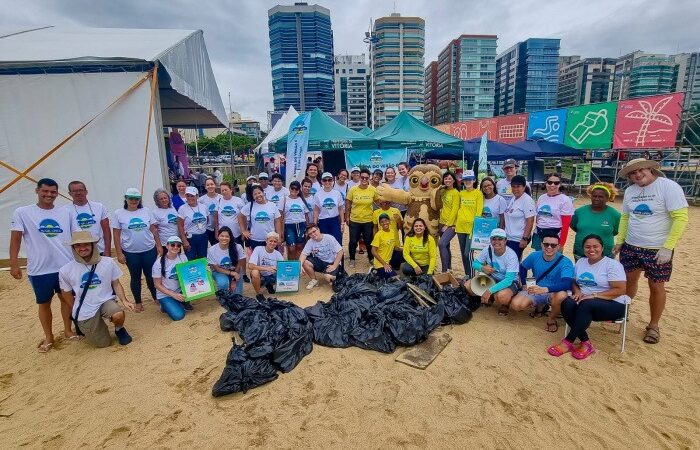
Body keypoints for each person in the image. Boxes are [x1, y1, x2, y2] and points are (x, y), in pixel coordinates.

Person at [613, 158, 689, 344]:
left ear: (650, 169)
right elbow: (625, 218)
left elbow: (681, 218)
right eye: (632, 173)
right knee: (629, 280)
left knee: (656, 286)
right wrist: (620, 241)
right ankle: (624, 311)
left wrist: (668, 247)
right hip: (631, 245)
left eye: (641, 170)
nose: (637, 175)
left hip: (657, 248)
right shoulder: (631, 191)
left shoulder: (668, 186)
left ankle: (653, 325)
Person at [9, 178, 76, 352]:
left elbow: (75, 238)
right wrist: (13, 264)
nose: (49, 195)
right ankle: (49, 336)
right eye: (45, 191)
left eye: (53, 192)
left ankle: (68, 330)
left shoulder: (65, 213)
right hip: (40, 269)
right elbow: (16, 238)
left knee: (66, 299)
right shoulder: (23, 212)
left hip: (65, 266)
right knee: (44, 304)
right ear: (37, 191)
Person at [548, 234, 630, 359]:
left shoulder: (612, 264)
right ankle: (586, 343)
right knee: (567, 303)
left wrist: (594, 295)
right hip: (584, 302)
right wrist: (577, 291)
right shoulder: (581, 262)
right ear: (583, 249)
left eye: (595, 246)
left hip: (614, 304)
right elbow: (573, 281)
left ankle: (568, 342)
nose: (591, 250)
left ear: (602, 247)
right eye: (587, 247)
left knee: (586, 304)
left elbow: (620, 290)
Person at [59, 231, 134, 347]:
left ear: (93, 245)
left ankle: (119, 329)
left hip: (105, 301)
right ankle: (94, 327)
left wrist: (124, 300)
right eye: (78, 245)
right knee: (104, 344)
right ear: (73, 248)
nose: (82, 248)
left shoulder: (108, 262)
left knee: (118, 314)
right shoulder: (66, 270)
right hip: (86, 309)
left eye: (86, 244)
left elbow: (116, 283)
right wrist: (76, 307)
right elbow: (66, 293)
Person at [510, 231, 575, 332]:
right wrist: (524, 284)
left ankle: (551, 319)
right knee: (516, 305)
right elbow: (522, 268)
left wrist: (545, 289)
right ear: (541, 244)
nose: (549, 247)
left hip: (553, 291)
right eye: (546, 244)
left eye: (553, 245)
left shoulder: (565, 262)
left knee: (562, 295)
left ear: (558, 247)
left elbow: (567, 283)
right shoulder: (535, 255)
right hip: (536, 288)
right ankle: (540, 306)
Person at [111, 188, 161, 312]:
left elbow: (154, 230)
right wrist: (119, 253)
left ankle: (156, 297)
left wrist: (159, 245)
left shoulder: (146, 211)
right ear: (126, 199)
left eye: (136, 199)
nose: (133, 201)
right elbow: (116, 234)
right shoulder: (119, 213)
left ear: (140, 200)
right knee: (135, 277)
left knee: (151, 275)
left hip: (149, 249)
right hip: (130, 252)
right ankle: (138, 301)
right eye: (130, 198)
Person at [464, 228, 520, 316]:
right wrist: (483, 268)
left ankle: (505, 304)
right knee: (468, 286)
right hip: (493, 277)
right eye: (494, 238)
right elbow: (475, 264)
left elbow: (508, 280)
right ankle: (492, 297)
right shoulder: (488, 249)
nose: (496, 241)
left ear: (505, 240)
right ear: (490, 240)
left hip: (510, 282)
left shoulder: (511, 256)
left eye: (500, 239)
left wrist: (489, 291)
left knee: (502, 297)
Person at [571, 183, 620, 260]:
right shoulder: (579, 212)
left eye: (601, 196)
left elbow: (615, 231)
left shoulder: (615, 214)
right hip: (581, 253)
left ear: (608, 198)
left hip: (606, 255)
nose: (596, 198)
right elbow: (574, 227)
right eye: (594, 196)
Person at [65, 181, 111, 256]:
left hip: (99, 250)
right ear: (70, 193)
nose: (78, 193)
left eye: (80, 190)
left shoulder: (99, 207)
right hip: (79, 252)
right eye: (74, 191)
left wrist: (107, 250)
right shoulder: (65, 210)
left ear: (86, 192)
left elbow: (106, 230)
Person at [346, 168, 378, 268]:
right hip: (355, 220)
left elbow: (377, 202)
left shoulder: (372, 189)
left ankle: (371, 258)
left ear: (369, 178)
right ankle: (352, 259)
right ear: (359, 177)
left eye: (366, 178)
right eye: (362, 177)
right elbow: (348, 204)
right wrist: (347, 217)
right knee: (353, 241)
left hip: (368, 220)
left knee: (369, 241)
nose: (364, 179)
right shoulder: (353, 189)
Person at [152, 236, 190, 321]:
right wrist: (174, 295)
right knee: (179, 316)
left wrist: (203, 270)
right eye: (172, 245)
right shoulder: (159, 263)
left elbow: (189, 274)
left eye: (178, 245)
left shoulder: (183, 257)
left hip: (180, 290)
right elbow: (157, 285)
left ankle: (177, 302)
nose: (175, 247)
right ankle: (164, 306)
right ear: (167, 246)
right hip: (165, 294)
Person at [533, 173, 574, 249]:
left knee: (552, 258)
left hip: (554, 234)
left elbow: (566, 225)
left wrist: (561, 243)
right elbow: (538, 217)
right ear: (546, 183)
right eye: (549, 182)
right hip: (539, 232)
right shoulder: (541, 198)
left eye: (556, 183)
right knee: (538, 256)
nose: (552, 185)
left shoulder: (565, 200)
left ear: (560, 184)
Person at [455, 170, 483, 277]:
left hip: (472, 227)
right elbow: (457, 208)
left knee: (468, 254)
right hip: (460, 226)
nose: (467, 182)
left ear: (474, 180)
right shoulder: (461, 194)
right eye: (465, 180)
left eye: (470, 179)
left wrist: (475, 226)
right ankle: (467, 275)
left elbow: (479, 211)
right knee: (463, 254)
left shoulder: (478, 194)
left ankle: (472, 276)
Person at [239, 185, 283, 251]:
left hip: (271, 239)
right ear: (253, 196)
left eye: (259, 193)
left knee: (271, 259)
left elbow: (277, 221)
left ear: (263, 193)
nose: (258, 195)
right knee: (257, 260)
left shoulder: (272, 205)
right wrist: (243, 231)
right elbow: (240, 216)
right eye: (255, 194)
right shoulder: (250, 205)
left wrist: (278, 236)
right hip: (255, 240)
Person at [300, 223, 344, 289]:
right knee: (305, 262)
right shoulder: (310, 241)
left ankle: (336, 275)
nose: (313, 234)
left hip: (332, 262)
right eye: (310, 234)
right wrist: (300, 265)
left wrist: (335, 265)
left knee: (328, 278)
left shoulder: (329, 238)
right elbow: (303, 254)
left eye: (314, 231)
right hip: (321, 262)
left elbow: (340, 251)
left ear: (319, 229)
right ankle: (314, 280)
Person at [503, 175, 535, 263]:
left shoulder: (527, 200)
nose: (515, 189)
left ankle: (518, 277)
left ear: (524, 187)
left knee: (512, 264)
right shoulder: (514, 198)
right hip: (509, 238)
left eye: (518, 186)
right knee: (510, 263)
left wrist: (525, 238)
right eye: (513, 186)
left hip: (518, 239)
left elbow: (530, 220)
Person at [207, 226, 246, 294]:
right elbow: (217, 268)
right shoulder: (211, 250)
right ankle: (221, 292)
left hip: (236, 270)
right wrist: (232, 273)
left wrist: (234, 279)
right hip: (219, 272)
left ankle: (230, 285)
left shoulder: (238, 247)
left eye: (227, 236)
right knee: (223, 283)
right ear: (218, 236)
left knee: (237, 296)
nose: (224, 238)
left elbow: (239, 264)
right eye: (222, 236)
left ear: (230, 238)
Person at [249, 232, 284, 301]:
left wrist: (277, 269)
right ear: (266, 241)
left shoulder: (278, 253)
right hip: (261, 275)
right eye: (270, 241)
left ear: (277, 243)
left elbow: (283, 267)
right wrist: (266, 269)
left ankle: (269, 285)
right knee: (254, 272)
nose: (272, 243)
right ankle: (259, 294)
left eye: (275, 241)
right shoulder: (258, 249)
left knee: (280, 273)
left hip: (272, 276)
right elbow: (250, 265)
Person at [178, 186, 209, 260]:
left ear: (197, 196)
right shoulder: (182, 208)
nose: (190, 198)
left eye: (192, 196)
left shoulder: (204, 207)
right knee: (190, 259)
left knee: (203, 258)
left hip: (203, 236)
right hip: (190, 238)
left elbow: (207, 220)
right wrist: (184, 240)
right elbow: (180, 226)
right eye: (187, 195)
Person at [280, 181, 310, 260]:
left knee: (300, 246)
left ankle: (298, 266)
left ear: (299, 190)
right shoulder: (284, 199)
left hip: (301, 224)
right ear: (289, 188)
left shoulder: (302, 200)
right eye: (292, 188)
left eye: (296, 189)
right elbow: (280, 216)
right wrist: (281, 231)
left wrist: (308, 228)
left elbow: (306, 215)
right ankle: (291, 265)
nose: (294, 190)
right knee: (291, 247)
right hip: (289, 225)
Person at [313, 172, 344, 246]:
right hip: (323, 221)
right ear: (321, 181)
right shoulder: (317, 194)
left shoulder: (337, 193)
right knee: (325, 243)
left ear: (332, 181)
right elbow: (316, 210)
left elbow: (340, 209)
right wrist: (315, 224)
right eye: (325, 180)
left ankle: (339, 257)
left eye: (329, 180)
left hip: (335, 220)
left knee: (337, 241)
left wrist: (342, 222)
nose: (327, 182)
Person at [437, 171, 460, 272]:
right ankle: (449, 268)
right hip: (441, 221)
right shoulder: (443, 191)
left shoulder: (456, 193)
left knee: (441, 244)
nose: (447, 180)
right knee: (446, 245)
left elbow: (455, 210)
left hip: (451, 224)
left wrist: (448, 224)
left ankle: (444, 270)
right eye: (446, 178)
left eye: (450, 178)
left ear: (454, 180)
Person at [371, 214, 402, 278]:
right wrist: (384, 264)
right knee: (394, 278)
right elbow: (373, 251)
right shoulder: (378, 235)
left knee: (403, 254)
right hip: (381, 263)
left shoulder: (392, 232)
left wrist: (404, 250)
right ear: (380, 224)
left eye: (386, 220)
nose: (384, 223)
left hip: (389, 260)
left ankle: (392, 267)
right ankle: (375, 271)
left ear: (389, 221)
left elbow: (394, 247)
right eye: (382, 222)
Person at [215, 181, 246, 246]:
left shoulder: (238, 201)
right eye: (222, 190)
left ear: (231, 190)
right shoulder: (218, 201)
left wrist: (244, 231)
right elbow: (216, 218)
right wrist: (216, 232)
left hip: (237, 234)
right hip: (223, 236)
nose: (224, 192)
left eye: (226, 190)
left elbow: (244, 217)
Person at [151, 188, 179, 253]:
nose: (164, 200)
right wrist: (159, 246)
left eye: (165, 198)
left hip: (176, 241)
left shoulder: (173, 208)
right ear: (157, 201)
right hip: (165, 243)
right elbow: (155, 231)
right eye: (161, 199)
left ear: (168, 198)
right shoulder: (155, 212)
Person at [199, 178, 222, 245]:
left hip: (220, 226)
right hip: (208, 228)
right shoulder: (201, 200)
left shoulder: (221, 197)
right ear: (205, 187)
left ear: (215, 185)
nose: (210, 186)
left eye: (212, 184)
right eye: (208, 185)